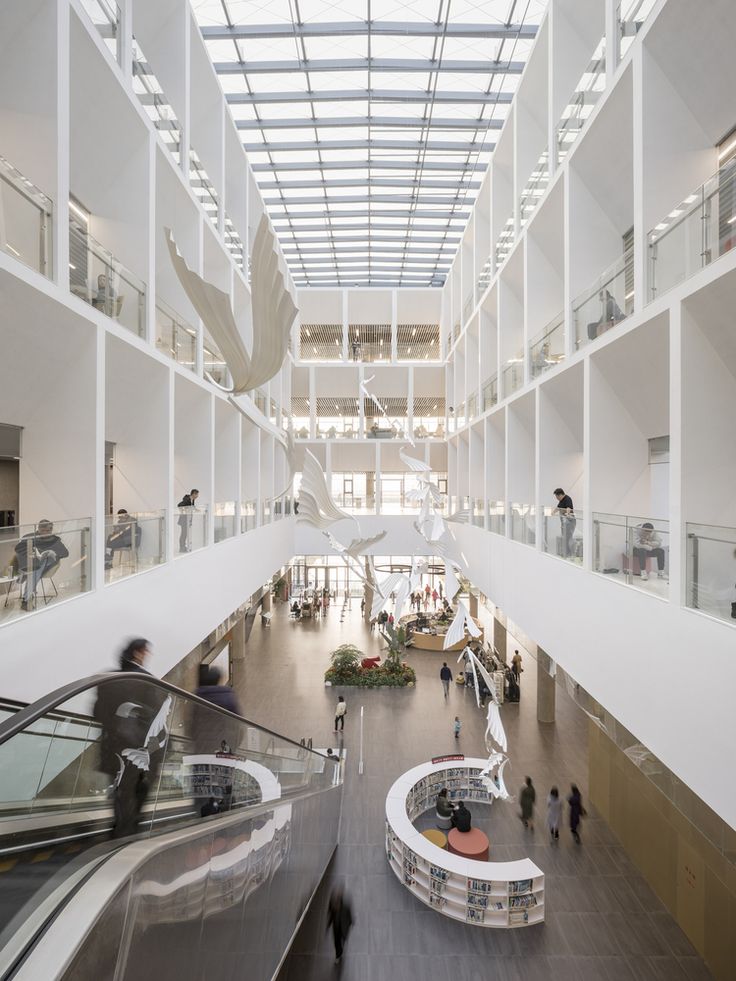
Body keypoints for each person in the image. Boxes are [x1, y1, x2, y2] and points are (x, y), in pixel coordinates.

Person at [93, 639, 167, 838]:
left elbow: (97, 714)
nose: (147, 656)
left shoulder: (107, 678)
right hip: (138, 750)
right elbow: (156, 720)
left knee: (120, 789)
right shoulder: (147, 681)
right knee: (136, 789)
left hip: (112, 747)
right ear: (138, 653)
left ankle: (120, 827)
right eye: (146, 652)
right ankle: (128, 831)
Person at [14, 518, 70, 611]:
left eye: (48, 530)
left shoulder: (55, 539)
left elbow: (65, 553)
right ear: (38, 529)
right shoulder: (29, 537)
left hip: (47, 564)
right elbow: (19, 550)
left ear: (51, 530)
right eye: (43, 530)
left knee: (39, 564)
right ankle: (27, 596)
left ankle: (26, 599)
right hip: (31, 562)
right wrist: (32, 552)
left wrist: (53, 552)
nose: (46, 533)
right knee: (36, 567)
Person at [326, 886, 353, 964]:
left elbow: (349, 915)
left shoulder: (345, 907)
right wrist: (328, 925)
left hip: (343, 926)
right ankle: (338, 955)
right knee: (336, 942)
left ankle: (342, 945)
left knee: (343, 938)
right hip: (336, 927)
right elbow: (330, 915)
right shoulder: (332, 905)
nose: (335, 905)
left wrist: (350, 923)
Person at [552, 488, 576, 558]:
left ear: (560, 495)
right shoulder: (561, 501)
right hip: (564, 522)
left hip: (570, 521)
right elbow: (558, 508)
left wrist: (567, 514)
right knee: (565, 537)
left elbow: (568, 508)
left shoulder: (567, 499)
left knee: (568, 538)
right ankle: (566, 553)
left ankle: (570, 554)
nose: (557, 499)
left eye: (557, 497)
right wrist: (552, 512)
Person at [177, 488, 199, 553]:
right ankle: (181, 548)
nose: (197, 496)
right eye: (197, 494)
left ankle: (183, 546)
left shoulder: (192, 500)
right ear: (193, 494)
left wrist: (196, 509)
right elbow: (179, 505)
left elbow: (191, 507)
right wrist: (183, 511)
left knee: (185, 534)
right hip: (184, 520)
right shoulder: (187, 499)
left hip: (187, 520)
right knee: (183, 534)